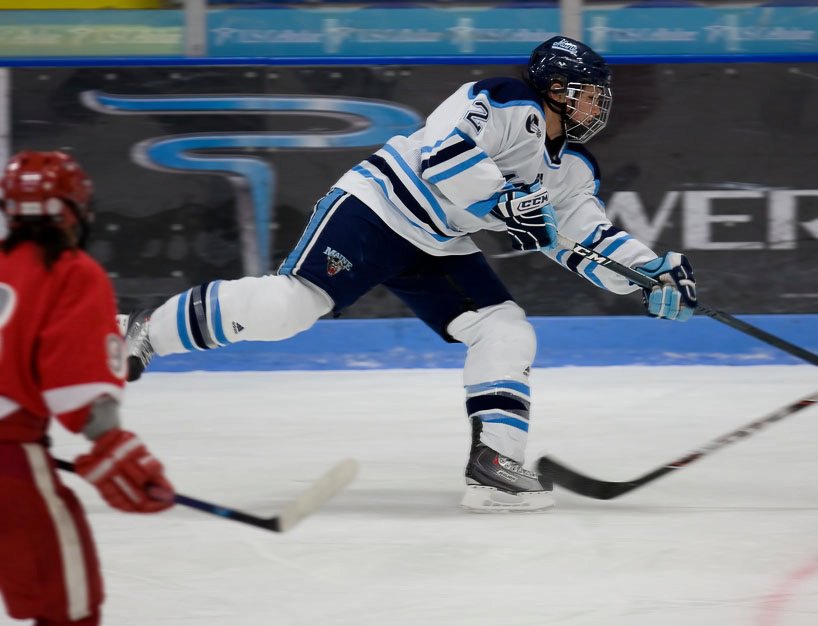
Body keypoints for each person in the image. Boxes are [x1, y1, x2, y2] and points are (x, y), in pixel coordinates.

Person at [122, 36, 698, 512]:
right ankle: (147, 330)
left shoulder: (572, 168)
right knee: (292, 306)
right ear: (555, 89)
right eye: (590, 95)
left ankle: (493, 467)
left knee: (505, 328)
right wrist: (504, 203)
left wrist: (651, 276)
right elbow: (443, 157)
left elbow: (586, 241)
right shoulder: (501, 100)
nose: (599, 107)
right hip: (378, 206)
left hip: (438, 243)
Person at [0, 150, 175, 626]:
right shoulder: (71, 272)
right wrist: (110, 444)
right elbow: (75, 385)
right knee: (68, 613)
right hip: (9, 464)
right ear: (76, 210)